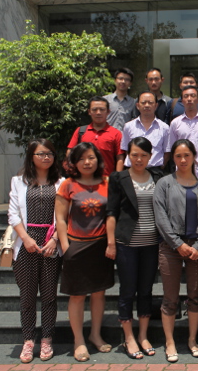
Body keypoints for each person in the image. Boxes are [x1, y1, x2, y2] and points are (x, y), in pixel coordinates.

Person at [55, 142, 115, 362]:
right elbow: (61, 218)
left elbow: (112, 214)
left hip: (101, 246)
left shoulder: (107, 182)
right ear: (74, 163)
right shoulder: (68, 185)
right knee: (77, 295)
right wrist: (66, 246)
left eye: (91, 158)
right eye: (81, 159)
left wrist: (111, 242)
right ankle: (78, 340)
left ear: (98, 160)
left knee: (99, 293)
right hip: (76, 245)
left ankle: (95, 334)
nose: (87, 162)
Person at [107, 137, 164, 360]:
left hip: (151, 244)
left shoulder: (158, 176)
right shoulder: (118, 178)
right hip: (126, 244)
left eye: (143, 155)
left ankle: (143, 335)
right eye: (134, 155)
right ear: (128, 156)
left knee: (146, 291)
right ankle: (128, 337)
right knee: (127, 291)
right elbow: (111, 212)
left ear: (150, 156)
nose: (139, 159)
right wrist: (111, 242)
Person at [8, 138, 64, 363]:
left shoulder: (61, 182)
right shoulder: (18, 182)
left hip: (51, 244)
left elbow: (66, 215)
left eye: (49, 153)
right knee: (27, 296)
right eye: (41, 154)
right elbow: (13, 214)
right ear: (31, 157)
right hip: (26, 245)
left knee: (49, 295)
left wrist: (55, 239)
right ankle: (28, 340)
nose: (46, 157)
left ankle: (47, 339)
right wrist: (26, 239)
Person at [154, 139, 198, 362]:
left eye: (187, 155)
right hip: (170, 247)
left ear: (194, 157)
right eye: (178, 156)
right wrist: (177, 243)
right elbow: (161, 217)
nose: (183, 160)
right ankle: (170, 341)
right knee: (170, 297)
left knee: (195, 295)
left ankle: (192, 340)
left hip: (196, 248)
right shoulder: (164, 183)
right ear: (172, 158)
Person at [67, 96, 124, 177]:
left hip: (106, 179)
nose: (98, 113)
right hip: (83, 178)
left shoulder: (116, 134)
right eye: (94, 110)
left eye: (102, 109)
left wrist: (117, 178)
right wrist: (73, 171)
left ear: (108, 112)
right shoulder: (80, 131)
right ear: (89, 112)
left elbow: (120, 158)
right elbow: (70, 152)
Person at [168, 86, 198, 179]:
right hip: (182, 173)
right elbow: (173, 149)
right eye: (186, 96)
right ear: (182, 101)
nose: (189, 99)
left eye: (193, 96)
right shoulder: (175, 123)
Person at [119, 91, 171, 173]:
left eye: (150, 103)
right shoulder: (128, 126)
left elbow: (167, 152)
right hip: (133, 171)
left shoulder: (164, 128)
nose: (147, 105)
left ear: (156, 106)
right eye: (143, 103)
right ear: (137, 105)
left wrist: (161, 167)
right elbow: (126, 150)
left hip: (155, 171)